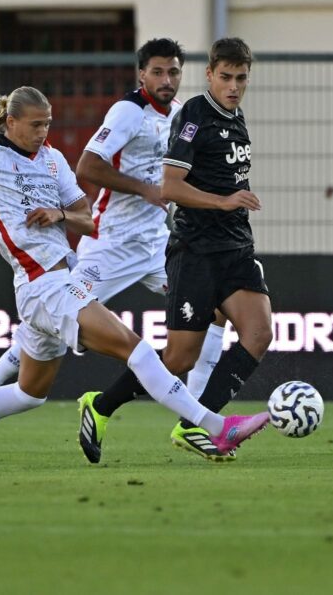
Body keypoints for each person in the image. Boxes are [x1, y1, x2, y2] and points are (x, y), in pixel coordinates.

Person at [0, 86, 268, 465]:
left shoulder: (52, 161)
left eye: (47, 123)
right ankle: (214, 426)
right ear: (10, 122)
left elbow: (87, 220)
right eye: (34, 125)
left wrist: (60, 214)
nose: (43, 132)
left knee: (30, 393)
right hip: (42, 285)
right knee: (135, 348)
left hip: (59, 283)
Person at [0, 38, 235, 463]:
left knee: (215, 308)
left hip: (156, 243)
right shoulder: (127, 112)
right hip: (109, 244)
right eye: (157, 71)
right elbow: (89, 166)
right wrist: (145, 188)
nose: (166, 79)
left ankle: (192, 424)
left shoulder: (179, 116)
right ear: (142, 74)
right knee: (54, 318)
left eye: (174, 72)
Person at [77, 37, 273, 463]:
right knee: (178, 358)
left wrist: (232, 205)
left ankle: (195, 427)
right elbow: (171, 187)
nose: (234, 86)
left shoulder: (236, 119)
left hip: (235, 247)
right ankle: (101, 405)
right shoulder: (193, 117)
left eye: (241, 78)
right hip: (196, 250)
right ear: (209, 75)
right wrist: (225, 201)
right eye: (225, 77)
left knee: (259, 332)